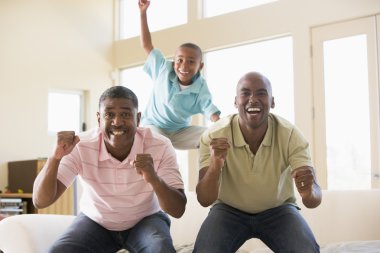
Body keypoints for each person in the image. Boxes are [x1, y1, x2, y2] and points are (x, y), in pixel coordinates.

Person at [33, 86, 187, 253]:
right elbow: (40, 201)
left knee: (160, 250)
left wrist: (154, 179)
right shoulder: (80, 145)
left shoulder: (160, 145)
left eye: (126, 114)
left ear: (138, 118)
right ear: (99, 119)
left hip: (146, 219)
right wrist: (55, 158)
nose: (117, 122)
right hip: (96, 221)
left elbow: (177, 210)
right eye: (109, 114)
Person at [193, 72, 322, 253]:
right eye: (245, 93)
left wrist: (309, 192)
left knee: (307, 250)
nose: (252, 99)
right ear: (236, 101)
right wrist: (215, 164)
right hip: (228, 211)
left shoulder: (290, 135)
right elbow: (204, 199)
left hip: (279, 210)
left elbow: (313, 199)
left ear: (272, 101)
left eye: (261, 93)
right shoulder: (214, 135)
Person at [138, 0, 221, 150]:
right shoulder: (163, 68)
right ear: (173, 60)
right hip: (154, 126)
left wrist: (220, 123)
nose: (184, 66)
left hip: (180, 132)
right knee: (159, 145)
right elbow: (146, 45)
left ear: (200, 66)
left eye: (190, 62)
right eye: (180, 60)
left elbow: (210, 109)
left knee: (213, 137)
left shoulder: (200, 86)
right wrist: (143, 13)